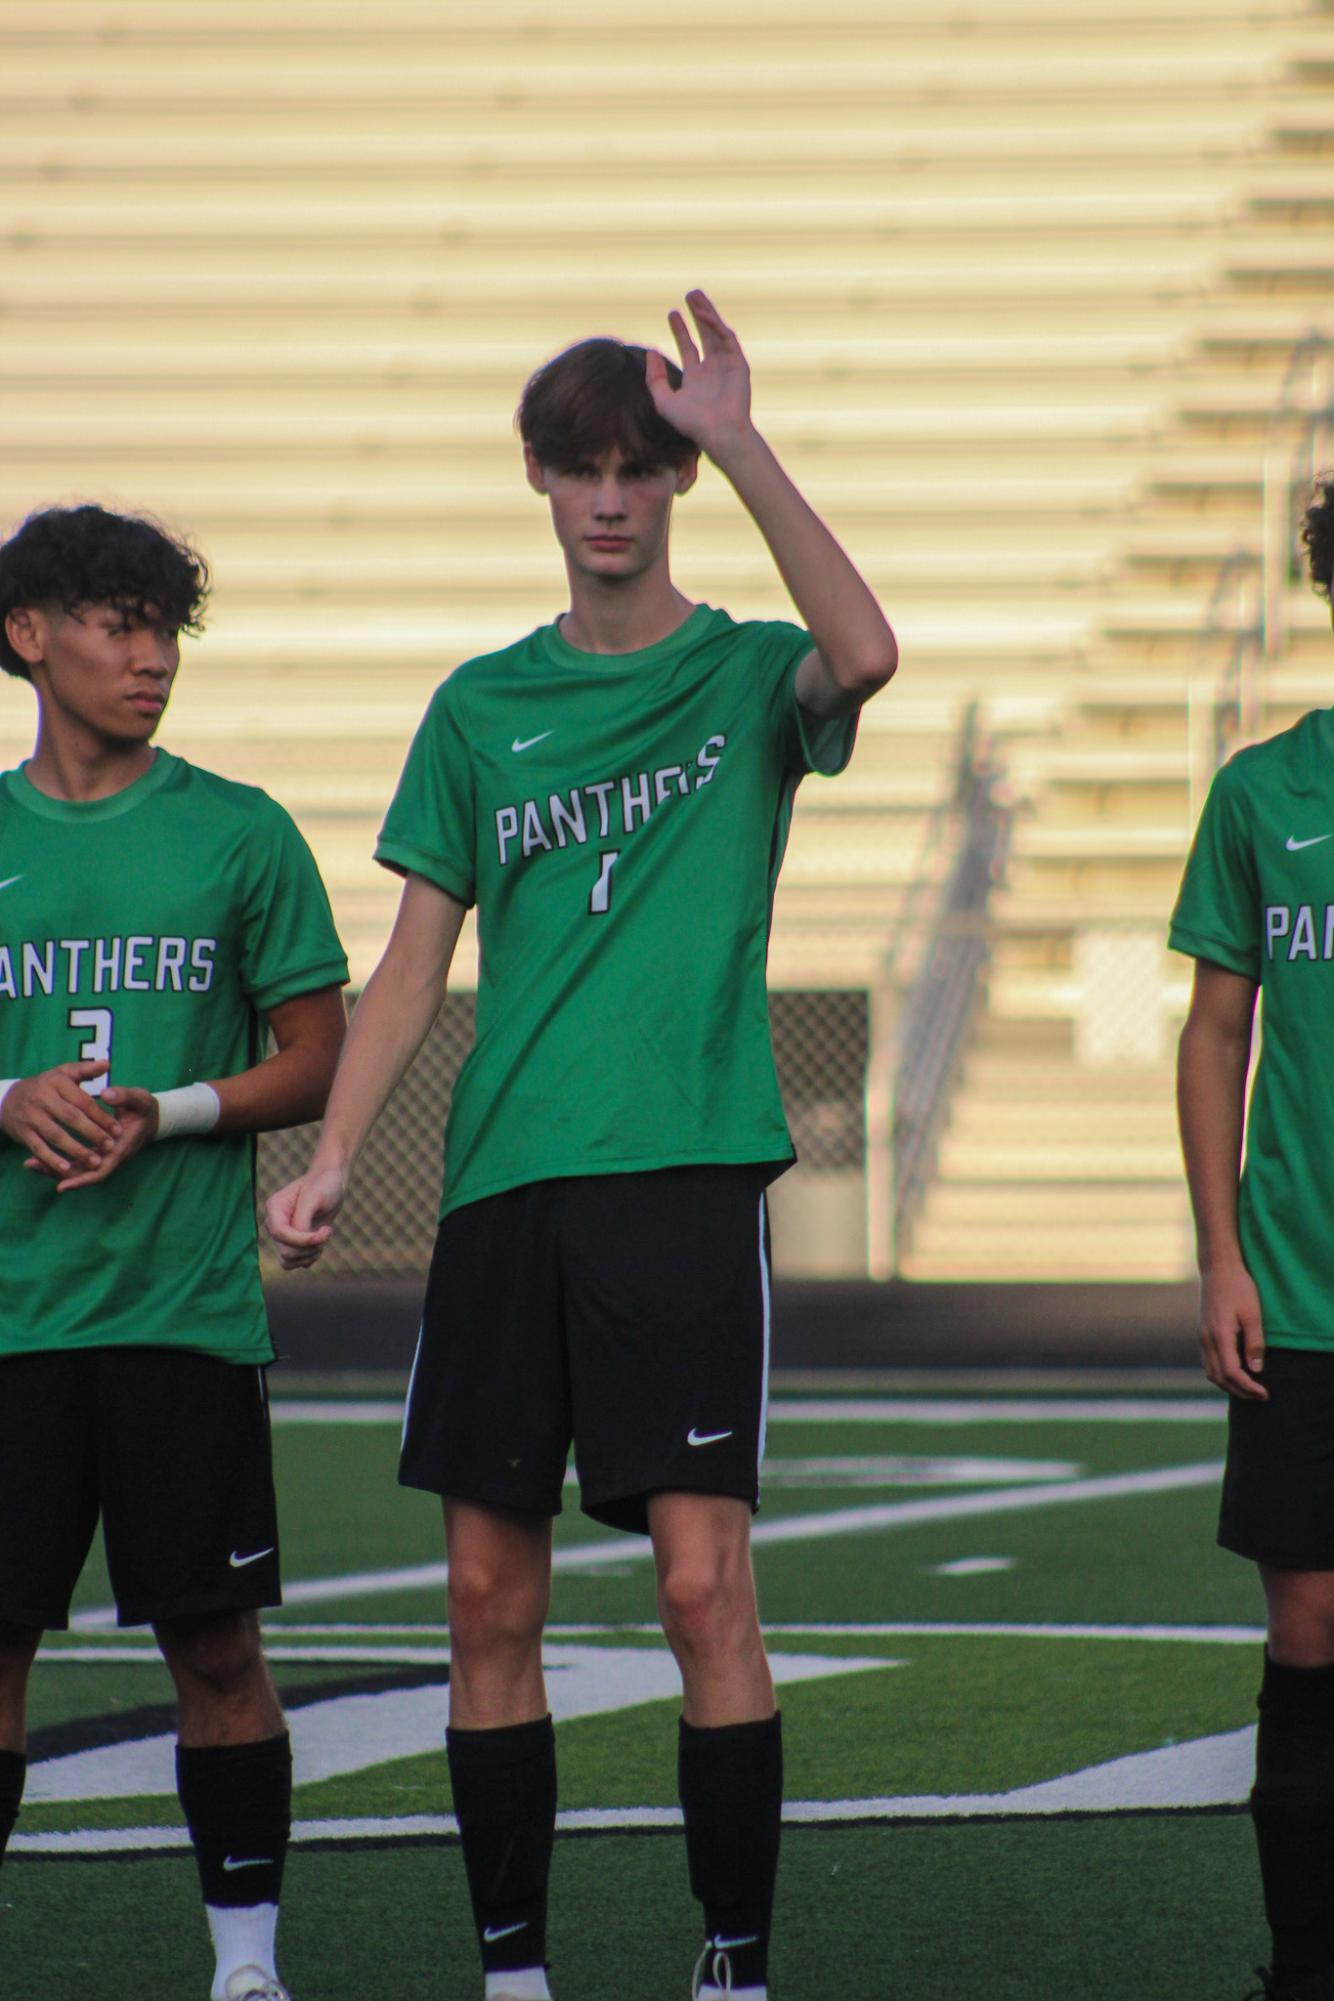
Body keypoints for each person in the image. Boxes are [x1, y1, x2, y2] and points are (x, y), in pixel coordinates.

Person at [267, 290, 897, 2001]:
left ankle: (733, 1965)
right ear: (539, 481)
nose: (610, 497)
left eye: (640, 467)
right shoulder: (480, 706)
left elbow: (866, 655)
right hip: (502, 1191)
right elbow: (411, 961)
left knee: (701, 1588)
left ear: (671, 481)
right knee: (485, 1598)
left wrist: (742, 435)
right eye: (582, 469)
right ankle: (514, 1972)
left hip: (681, 1177)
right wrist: (337, 1150)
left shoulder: (747, 668)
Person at [0, 504, 348, 2001]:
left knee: (215, 1649)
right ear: (30, 636)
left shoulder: (238, 829)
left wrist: (175, 1108)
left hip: (181, 1312)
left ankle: (246, 1965)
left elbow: (316, 1053)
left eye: (165, 630)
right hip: (8, 1322)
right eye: (118, 624)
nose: (152, 659)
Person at [1173, 475, 1334, 2000]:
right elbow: (1216, 1031)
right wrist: (1219, 1253)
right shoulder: (1261, 791)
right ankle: (1299, 1960)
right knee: (1308, 1625)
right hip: (1299, 1286)